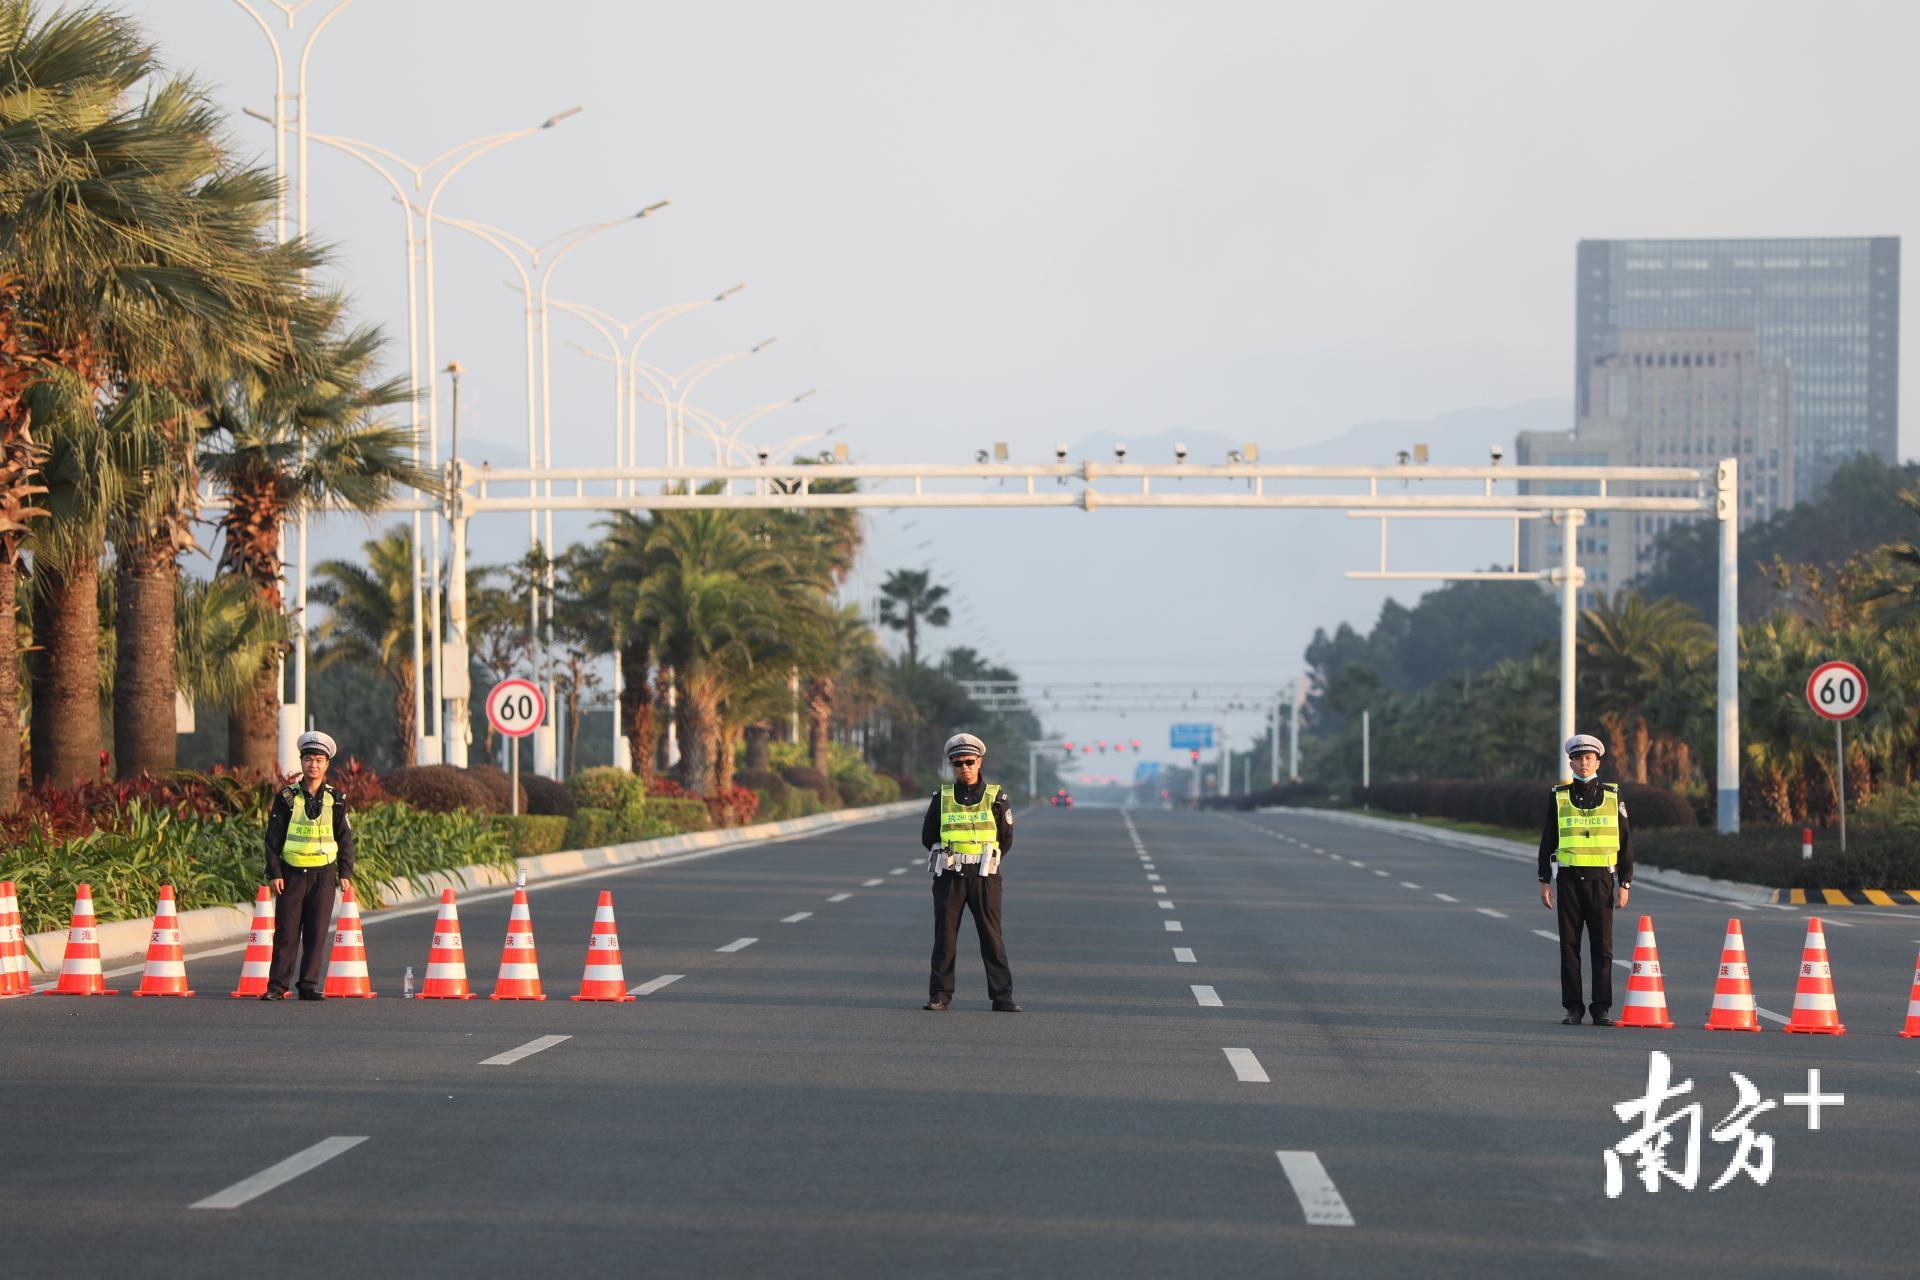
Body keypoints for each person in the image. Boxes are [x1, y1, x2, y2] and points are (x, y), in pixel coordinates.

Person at [921, 732, 1019, 1012]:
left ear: (980, 761)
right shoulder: (941, 797)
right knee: (945, 937)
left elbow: (1006, 838)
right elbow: (928, 836)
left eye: (969, 761)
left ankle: (1002, 997)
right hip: (949, 876)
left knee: (991, 936)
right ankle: (940, 995)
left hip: (985, 877)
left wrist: (983, 859)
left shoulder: (996, 797)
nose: (964, 767)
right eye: (958, 762)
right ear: (951, 765)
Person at [1538, 733, 1632, 1026]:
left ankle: (1601, 1008)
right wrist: (1544, 880)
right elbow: (1548, 839)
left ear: (1597, 761)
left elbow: (1626, 841)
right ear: (1571, 763)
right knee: (1569, 946)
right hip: (1568, 881)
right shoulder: (1559, 796)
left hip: (1602, 882)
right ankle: (1573, 1008)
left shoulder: (1613, 796)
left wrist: (1625, 883)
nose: (1583, 763)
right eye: (1578, 759)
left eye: (1588, 758)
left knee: (1602, 948)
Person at [262, 731, 356, 1001]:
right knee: (286, 933)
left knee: (316, 933)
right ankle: (277, 987)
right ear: (301, 763)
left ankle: (309, 985)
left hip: (323, 875)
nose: (312, 765)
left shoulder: (336, 799)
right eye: (308, 759)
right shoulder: (287, 798)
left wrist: (345, 872)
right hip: (291, 874)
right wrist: (274, 872)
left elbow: (344, 838)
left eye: (318, 760)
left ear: (326, 765)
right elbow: (273, 838)